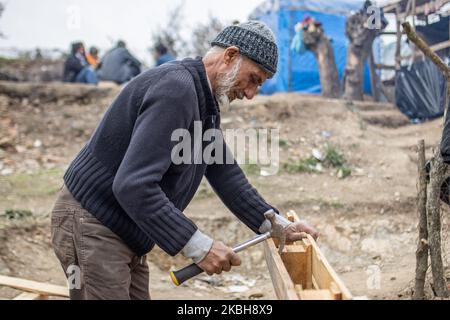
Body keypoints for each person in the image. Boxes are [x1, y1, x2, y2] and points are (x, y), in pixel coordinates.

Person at [51, 21, 319, 300]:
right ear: (229, 56)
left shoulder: (204, 100)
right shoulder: (176, 91)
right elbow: (133, 184)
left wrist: (275, 224)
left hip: (124, 228)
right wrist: (199, 246)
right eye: (253, 79)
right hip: (93, 222)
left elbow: (224, 174)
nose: (251, 94)